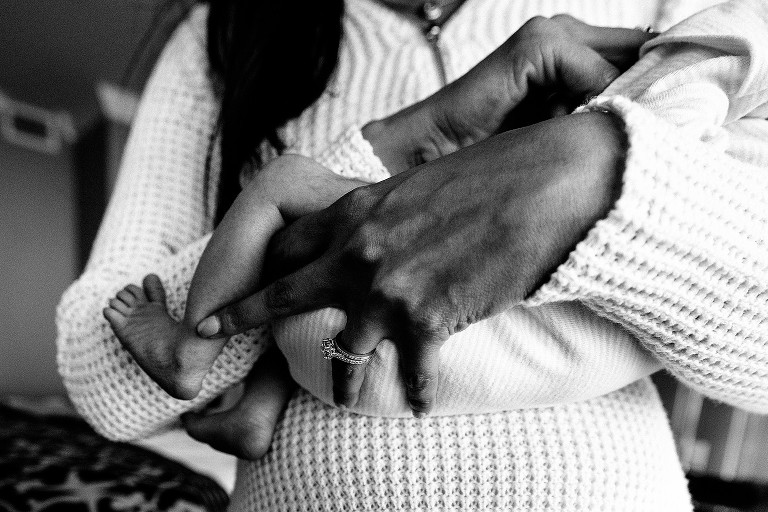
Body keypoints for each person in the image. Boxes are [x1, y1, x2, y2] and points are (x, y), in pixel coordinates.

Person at [56, 0, 768, 510]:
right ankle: (253, 394)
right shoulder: (226, 31)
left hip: (339, 355)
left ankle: (194, 349)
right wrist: (416, 132)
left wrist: (589, 170)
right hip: (391, 362)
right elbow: (99, 383)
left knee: (287, 187)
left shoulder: (667, 34)